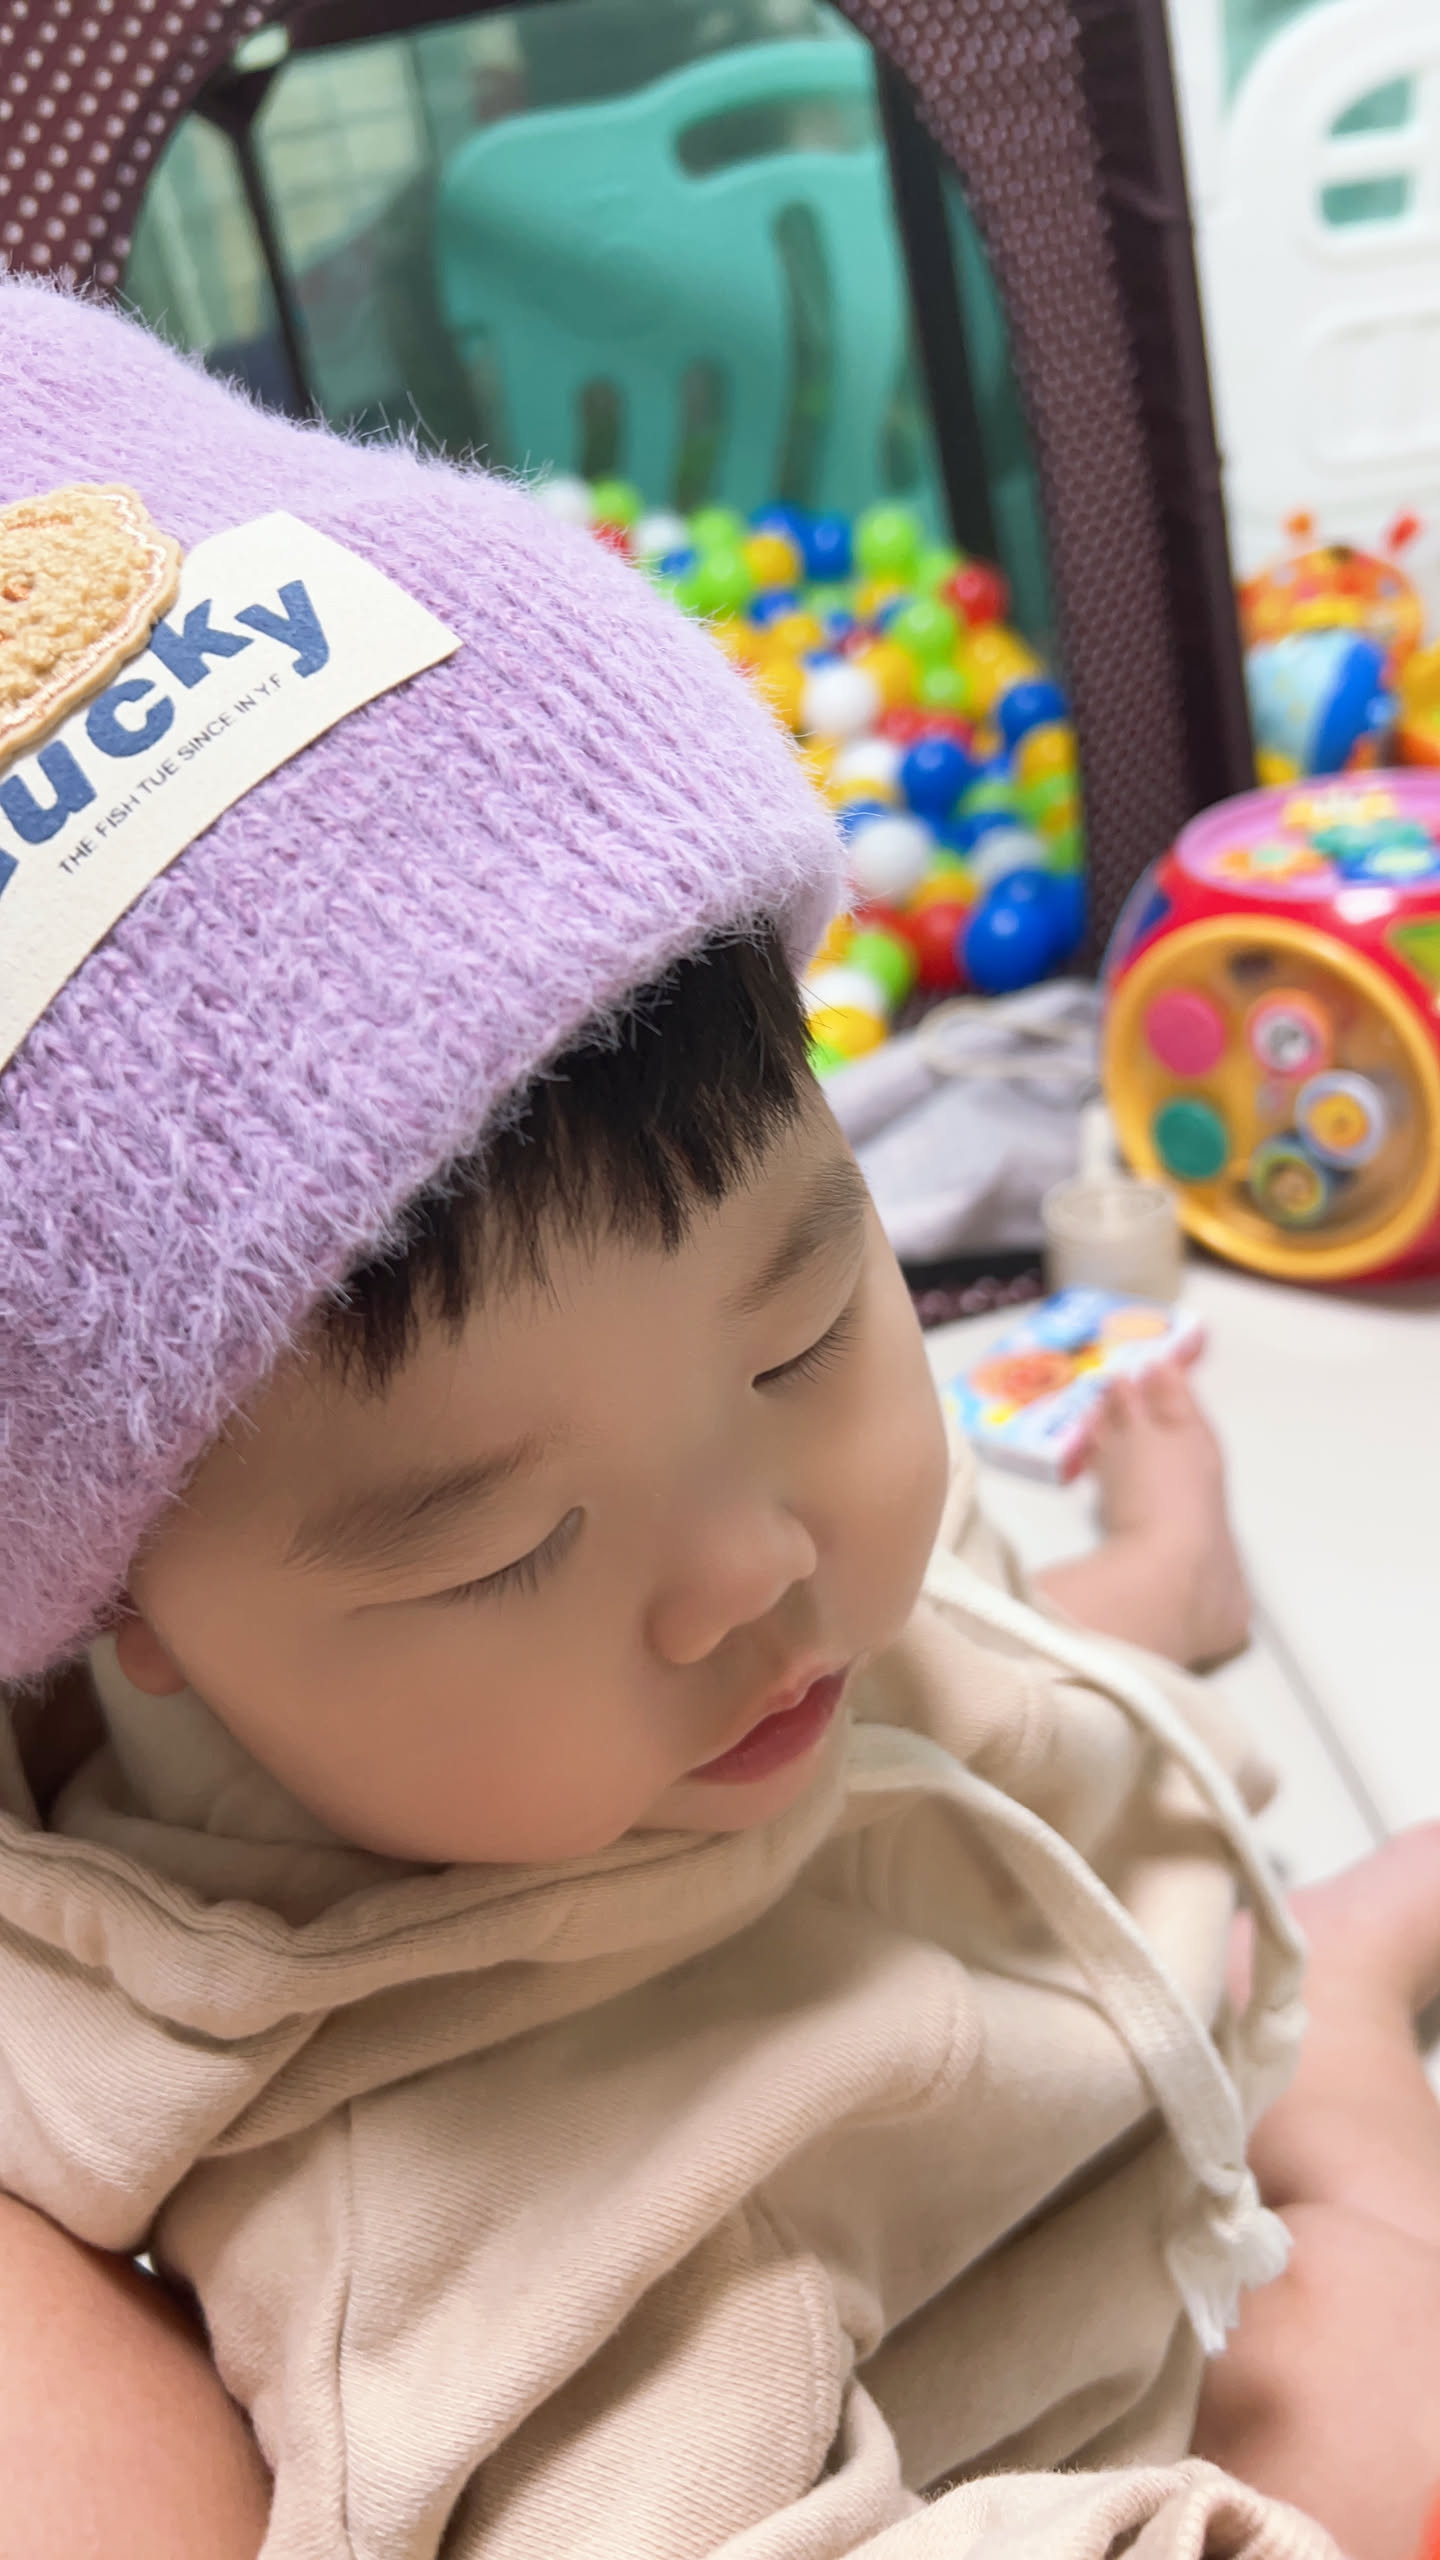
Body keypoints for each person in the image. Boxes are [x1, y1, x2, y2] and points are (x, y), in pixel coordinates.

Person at [0, 278, 1437, 2560]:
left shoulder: (627, 1637)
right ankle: (1347, 2058)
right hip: (1115, 2406)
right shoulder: (476, 2215)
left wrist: (1118, 1584)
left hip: (1128, 1978)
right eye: (502, 1546)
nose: (757, 1561)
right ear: (123, 1619)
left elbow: (884, 1623)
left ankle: (1263, 1875)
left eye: (807, 1317)